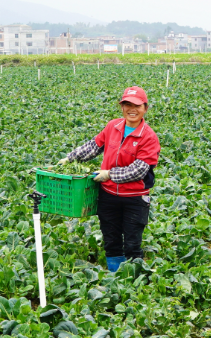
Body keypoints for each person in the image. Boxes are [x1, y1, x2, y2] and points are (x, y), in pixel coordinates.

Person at [59, 86, 160, 272]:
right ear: (121, 107)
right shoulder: (112, 126)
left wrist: (109, 174)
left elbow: (139, 170)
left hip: (135, 198)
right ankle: (115, 276)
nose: (132, 109)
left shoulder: (149, 137)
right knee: (111, 238)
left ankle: (133, 279)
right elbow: (93, 146)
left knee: (132, 243)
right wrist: (69, 159)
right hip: (108, 195)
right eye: (127, 104)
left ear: (145, 108)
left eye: (137, 105)